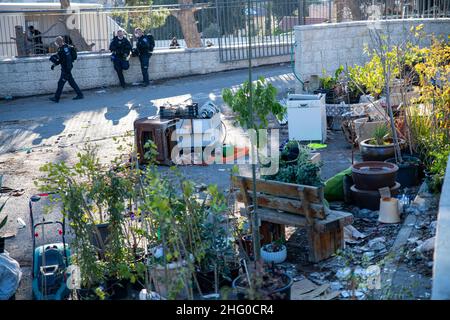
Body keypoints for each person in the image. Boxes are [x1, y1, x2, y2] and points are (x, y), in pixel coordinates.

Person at [49, 36, 83, 103]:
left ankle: (56, 98)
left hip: (66, 69)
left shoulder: (65, 49)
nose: (56, 43)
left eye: (57, 42)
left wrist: (68, 69)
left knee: (60, 83)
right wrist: (54, 65)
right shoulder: (61, 49)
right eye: (56, 42)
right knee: (71, 82)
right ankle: (80, 94)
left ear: (60, 41)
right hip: (65, 68)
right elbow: (60, 60)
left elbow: (68, 59)